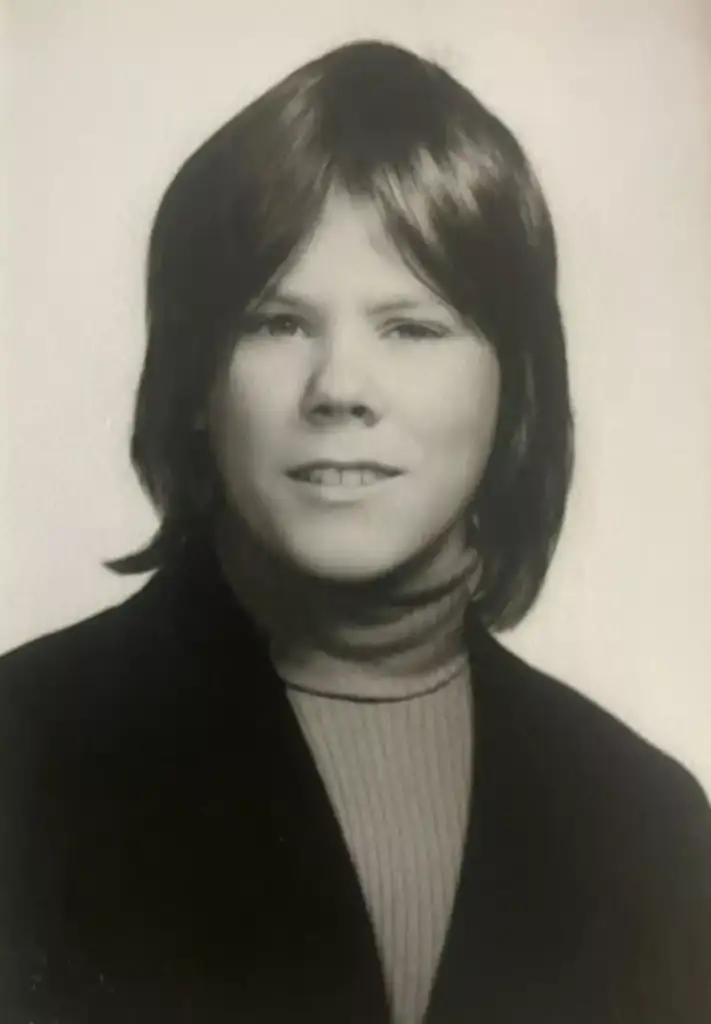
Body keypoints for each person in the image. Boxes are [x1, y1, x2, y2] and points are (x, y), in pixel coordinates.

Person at [0, 38, 709, 1024]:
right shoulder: (21, 751)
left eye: (412, 328)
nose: (338, 388)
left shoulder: (649, 819)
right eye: (277, 323)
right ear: (198, 384)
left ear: (514, 392)